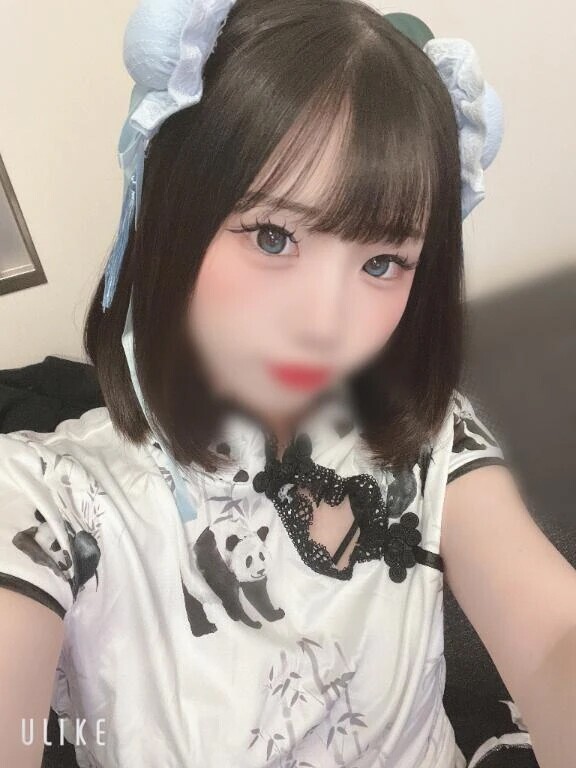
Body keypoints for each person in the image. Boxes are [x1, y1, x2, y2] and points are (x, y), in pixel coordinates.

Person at [1, 1, 575, 766]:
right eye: (273, 237)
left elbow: (553, 636)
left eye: (383, 262)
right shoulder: (47, 493)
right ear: (171, 216)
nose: (327, 322)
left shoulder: (427, 434)